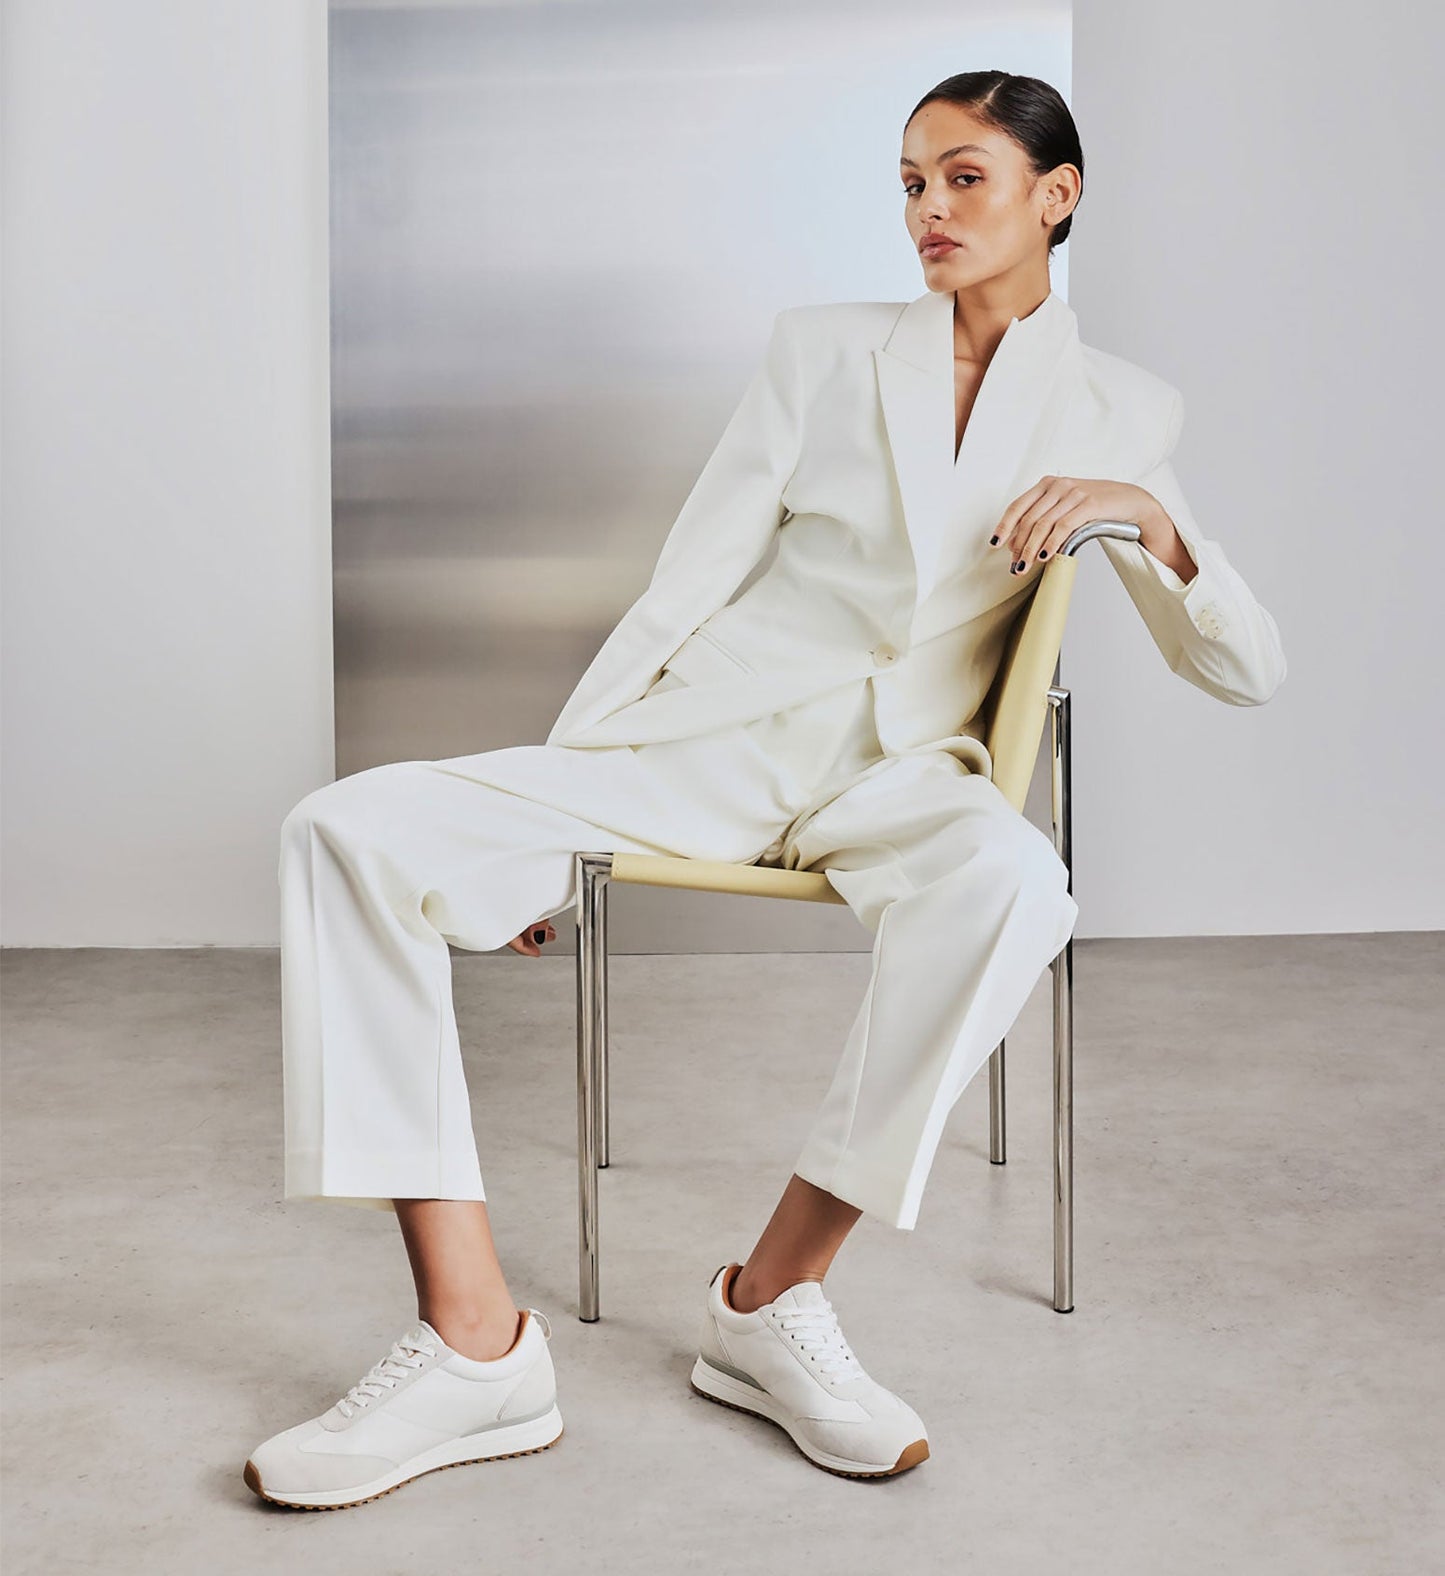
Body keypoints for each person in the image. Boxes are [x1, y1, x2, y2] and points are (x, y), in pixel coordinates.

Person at [244, 70, 1285, 1509]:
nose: (927, 208)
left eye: (964, 176)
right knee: (338, 827)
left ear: (1059, 192)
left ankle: (767, 1299)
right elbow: (692, 582)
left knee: (1014, 881)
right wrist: (563, 801)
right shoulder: (821, 351)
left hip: (903, 776)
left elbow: (1246, 672)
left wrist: (1146, 515)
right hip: (708, 751)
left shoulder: (1120, 407)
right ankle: (475, 1345)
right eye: (910, 182)